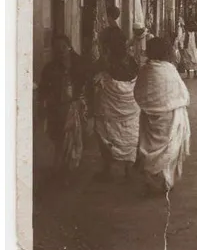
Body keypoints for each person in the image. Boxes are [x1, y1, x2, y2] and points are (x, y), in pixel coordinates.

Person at [135, 36, 192, 196]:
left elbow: (138, 93)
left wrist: (152, 106)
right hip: (171, 118)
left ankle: (153, 182)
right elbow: (183, 94)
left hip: (150, 118)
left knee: (150, 147)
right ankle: (167, 181)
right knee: (169, 149)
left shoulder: (145, 70)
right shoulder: (169, 70)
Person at [89, 37, 140, 182]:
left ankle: (108, 169)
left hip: (109, 108)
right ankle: (128, 169)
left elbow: (93, 76)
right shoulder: (131, 62)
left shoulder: (104, 63)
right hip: (130, 107)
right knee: (130, 134)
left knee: (106, 133)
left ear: (108, 49)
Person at [39, 33, 89, 178]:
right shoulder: (50, 68)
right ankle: (62, 167)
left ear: (69, 47)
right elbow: (43, 88)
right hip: (56, 109)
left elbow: (86, 83)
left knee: (71, 139)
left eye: (63, 47)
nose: (61, 51)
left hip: (74, 107)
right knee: (58, 137)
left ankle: (64, 169)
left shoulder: (78, 63)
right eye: (57, 48)